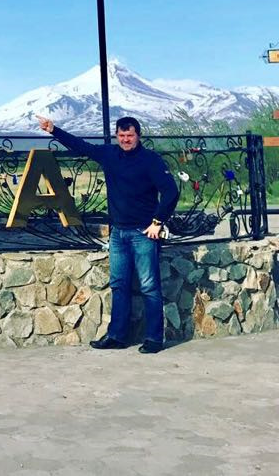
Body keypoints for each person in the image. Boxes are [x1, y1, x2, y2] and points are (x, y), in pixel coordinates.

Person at [36, 114, 179, 353]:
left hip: (143, 232)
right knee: (119, 285)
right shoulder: (110, 155)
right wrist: (54, 130)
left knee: (149, 286)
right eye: (122, 136)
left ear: (138, 136)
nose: (125, 140)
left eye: (130, 135)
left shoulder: (151, 160)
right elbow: (81, 147)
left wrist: (157, 222)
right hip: (118, 233)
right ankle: (117, 336)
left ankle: (154, 339)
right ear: (117, 136)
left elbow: (171, 191)